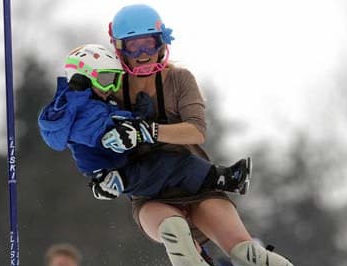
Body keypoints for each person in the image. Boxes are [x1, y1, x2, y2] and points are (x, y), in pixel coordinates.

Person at [88, 4, 347, 266]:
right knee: (175, 232)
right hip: (149, 194)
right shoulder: (110, 88)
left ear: (162, 42)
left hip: (196, 185)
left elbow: (195, 130)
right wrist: (98, 178)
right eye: (134, 46)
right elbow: (85, 137)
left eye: (149, 43)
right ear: (119, 48)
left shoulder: (178, 79)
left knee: (245, 252)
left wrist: (149, 131)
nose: (143, 53)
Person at [38, 44, 251, 200]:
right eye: (105, 80)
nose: (110, 88)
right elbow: (103, 131)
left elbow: (112, 121)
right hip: (114, 171)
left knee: (168, 160)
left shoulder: (88, 104)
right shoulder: (78, 112)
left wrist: (138, 117)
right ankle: (224, 179)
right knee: (171, 165)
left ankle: (215, 183)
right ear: (81, 79)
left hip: (119, 161)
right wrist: (133, 123)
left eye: (114, 81)